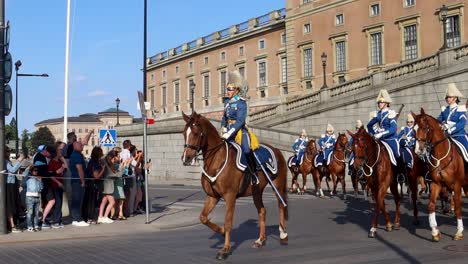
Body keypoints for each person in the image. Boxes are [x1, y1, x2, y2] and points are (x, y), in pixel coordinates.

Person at [220, 70, 259, 180]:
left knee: (246, 149)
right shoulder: (227, 102)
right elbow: (224, 117)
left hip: (239, 131)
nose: (227, 91)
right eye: (227, 89)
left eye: (229, 89)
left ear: (236, 90)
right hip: (227, 130)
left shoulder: (241, 103)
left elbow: (240, 121)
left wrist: (229, 132)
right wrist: (223, 127)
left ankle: (253, 172)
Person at [367, 89, 400, 165]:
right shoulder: (378, 114)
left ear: (386, 103)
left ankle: (400, 173)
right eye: (379, 102)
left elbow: (393, 129)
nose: (379, 104)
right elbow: (369, 125)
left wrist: (382, 134)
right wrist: (373, 134)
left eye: (381, 102)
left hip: (390, 139)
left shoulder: (391, 113)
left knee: (397, 154)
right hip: (380, 139)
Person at [437, 82, 468, 161]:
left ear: (455, 98)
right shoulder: (445, 110)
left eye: (450, 97)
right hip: (447, 135)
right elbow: (438, 121)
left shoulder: (460, 109)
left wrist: (450, 129)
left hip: (459, 135)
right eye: (447, 97)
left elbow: (462, 123)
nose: (448, 99)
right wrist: (441, 126)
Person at [4, 147, 25, 233]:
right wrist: (19, 160)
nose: (9, 153)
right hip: (9, 185)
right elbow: (12, 170)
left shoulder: (6, 161)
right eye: (8, 151)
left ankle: (12, 225)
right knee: (10, 206)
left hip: (11, 185)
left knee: (12, 205)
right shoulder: (5, 161)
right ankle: (12, 226)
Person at [69, 141, 89, 227]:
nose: (82, 146)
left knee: (77, 200)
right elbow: (79, 169)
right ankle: (77, 219)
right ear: (75, 146)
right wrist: (83, 181)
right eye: (80, 145)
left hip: (76, 180)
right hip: (78, 181)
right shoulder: (76, 155)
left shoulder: (77, 154)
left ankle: (76, 218)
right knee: (78, 200)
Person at [83, 146, 105, 224]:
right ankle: (90, 218)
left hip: (89, 183)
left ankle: (89, 217)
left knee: (89, 201)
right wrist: (103, 169)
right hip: (92, 184)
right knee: (91, 201)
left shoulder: (91, 161)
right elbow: (96, 176)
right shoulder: (95, 163)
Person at [48, 141, 67, 228]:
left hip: (60, 184)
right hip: (55, 185)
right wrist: (58, 183)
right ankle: (56, 221)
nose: (61, 152)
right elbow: (53, 174)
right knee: (58, 203)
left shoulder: (60, 161)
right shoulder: (52, 162)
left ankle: (59, 220)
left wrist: (63, 160)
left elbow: (65, 167)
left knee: (60, 203)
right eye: (59, 151)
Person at [22, 165, 43, 232]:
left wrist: (40, 181)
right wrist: (29, 167)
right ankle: (30, 226)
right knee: (30, 213)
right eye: (34, 170)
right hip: (29, 197)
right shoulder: (28, 178)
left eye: (37, 170)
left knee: (36, 213)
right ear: (31, 171)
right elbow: (24, 174)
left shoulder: (38, 179)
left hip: (37, 197)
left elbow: (41, 189)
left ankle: (36, 225)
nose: (36, 172)